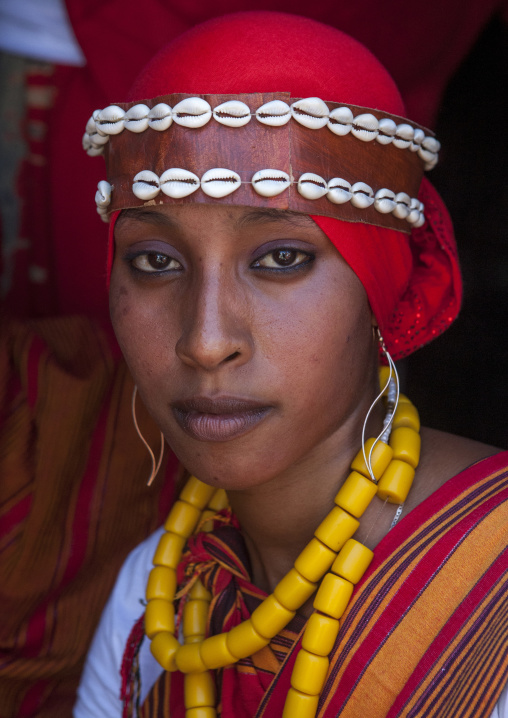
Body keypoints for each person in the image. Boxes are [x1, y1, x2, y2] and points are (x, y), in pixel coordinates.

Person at [74, 12, 508, 718]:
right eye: (156, 262)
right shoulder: (150, 600)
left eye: (282, 258)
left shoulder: (494, 584)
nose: (207, 341)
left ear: (385, 285)